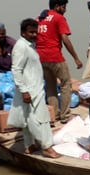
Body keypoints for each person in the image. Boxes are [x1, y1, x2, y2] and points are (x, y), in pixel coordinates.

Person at [6, 18, 60, 158]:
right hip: (30, 90)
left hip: (33, 87)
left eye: (36, 32)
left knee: (27, 118)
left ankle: (29, 145)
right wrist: (24, 91)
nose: (34, 35)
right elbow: (16, 69)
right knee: (39, 119)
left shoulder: (30, 45)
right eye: (31, 32)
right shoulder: (21, 47)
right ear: (23, 33)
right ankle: (47, 147)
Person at [37, 0, 83, 123]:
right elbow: (65, 38)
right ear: (57, 7)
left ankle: (54, 115)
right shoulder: (59, 18)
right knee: (65, 85)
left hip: (40, 57)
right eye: (64, 7)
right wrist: (76, 58)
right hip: (54, 56)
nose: (65, 10)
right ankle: (65, 115)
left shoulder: (40, 18)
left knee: (50, 86)